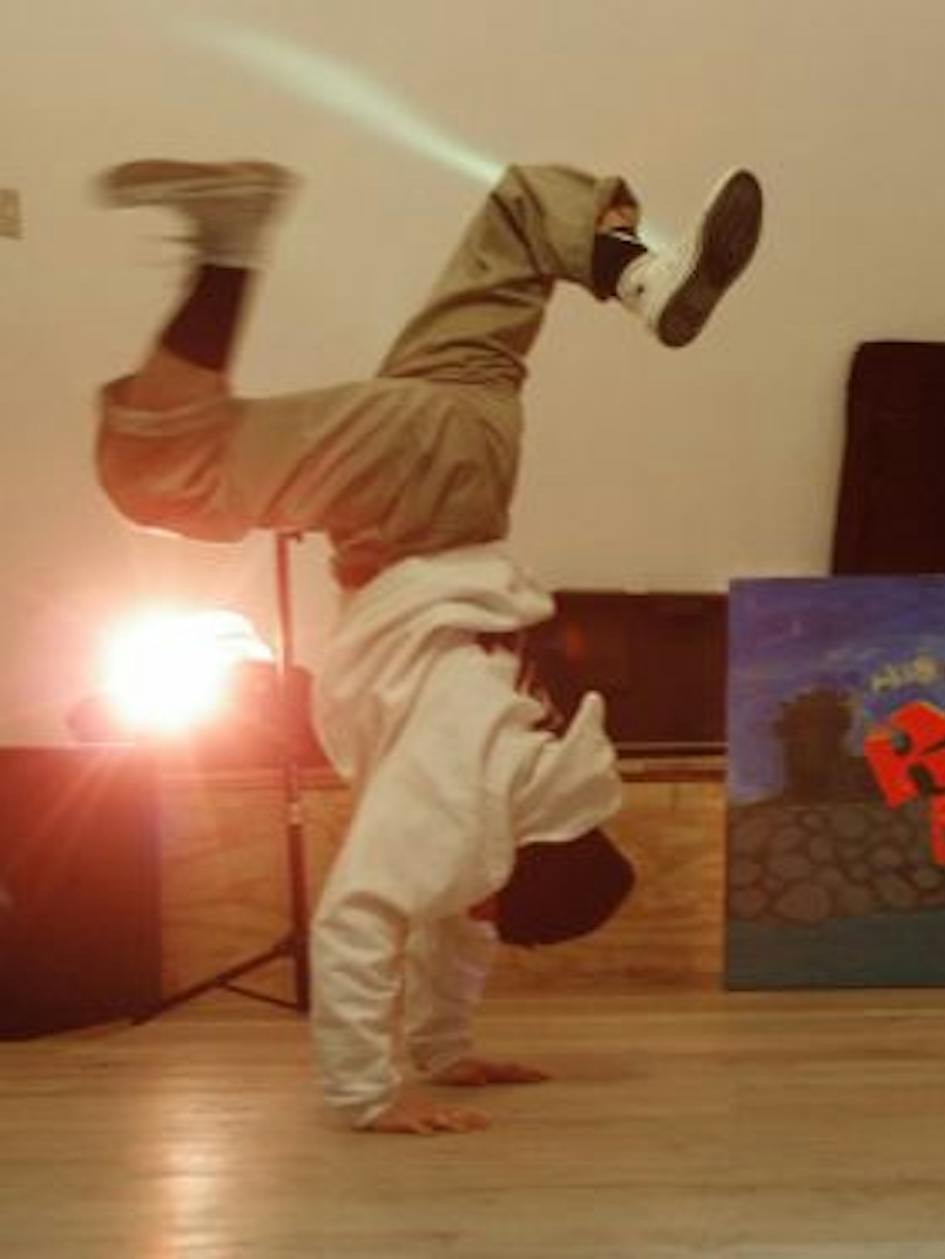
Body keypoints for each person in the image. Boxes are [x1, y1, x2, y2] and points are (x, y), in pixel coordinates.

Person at [93, 156, 763, 1133]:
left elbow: (459, 937)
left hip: (474, 446)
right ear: (506, 865)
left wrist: (450, 1053)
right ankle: (229, 243)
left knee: (525, 213)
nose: (474, 915)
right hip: (410, 493)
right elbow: (356, 919)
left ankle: (640, 274)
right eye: (489, 904)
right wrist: (373, 1094)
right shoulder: (461, 795)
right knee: (154, 470)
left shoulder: (518, 776)